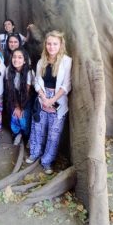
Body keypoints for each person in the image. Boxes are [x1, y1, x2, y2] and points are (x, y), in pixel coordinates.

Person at [26, 30, 72, 175]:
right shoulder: (42, 61)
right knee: (37, 129)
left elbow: (66, 85)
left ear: (60, 45)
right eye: (49, 44)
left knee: (53, 134)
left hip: (58, 101)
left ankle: (47, 161)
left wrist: (52, 100)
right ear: (45, 45)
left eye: (55, 44)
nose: (51, 47)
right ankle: (34, 153)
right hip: (42, 98)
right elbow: (37, 82)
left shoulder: (67, 61)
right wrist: (44, 98)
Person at [6, 48, 35, 146]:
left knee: (23, 119)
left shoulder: (29, 72)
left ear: (25, 60)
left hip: (26, 99)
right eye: (14, 57)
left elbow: (26, 93)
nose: (16, 60)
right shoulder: (8, 70)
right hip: (14, 98)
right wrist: (16, 106)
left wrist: (21, 108)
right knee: (14, 116)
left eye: (20, 57)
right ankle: (17, 134)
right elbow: (10, 90)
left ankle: (27, 136)